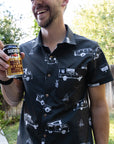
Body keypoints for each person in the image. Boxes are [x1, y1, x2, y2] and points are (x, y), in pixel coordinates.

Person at [0, 0, 113, 144]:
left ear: (64, 1)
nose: (37, 3)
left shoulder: (90, 51)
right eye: (32, 0)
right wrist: (4, 77)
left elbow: (99, 105)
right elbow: (13, 100)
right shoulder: (23, 52)